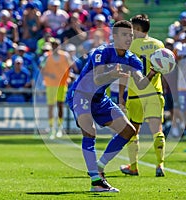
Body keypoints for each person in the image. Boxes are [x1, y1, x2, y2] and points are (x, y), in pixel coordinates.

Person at [66, 20, 158, 192]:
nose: (129, 38)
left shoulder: (132, 59)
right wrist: (113, 73)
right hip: (81, 94)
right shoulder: (101, 52)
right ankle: (96, 181)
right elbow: (97, 78)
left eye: (130, 35)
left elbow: (141, 83)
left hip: (99, 98)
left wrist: (153, 72)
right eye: (124, 35)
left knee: (129, 130)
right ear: (114, 37)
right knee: (89, 130)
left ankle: (100, 166)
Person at [118, 14, 166, 177]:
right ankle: (160, 165)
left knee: (133, 130)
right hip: (155, 92)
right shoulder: (159, 44)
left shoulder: (129, 46)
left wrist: (121, 96)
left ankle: (133, 167)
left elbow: (124, 72)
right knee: (157, 130)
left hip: (135, 94)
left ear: (137, 29)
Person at [41, 39, 72, 139]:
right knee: (50, 106)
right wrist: (50, 75)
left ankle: (59, 128)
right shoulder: (47, 57)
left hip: (62, 84)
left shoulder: (65, 56)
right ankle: (51, 128)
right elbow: (42, 70)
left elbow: (69, 68)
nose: (55, 47)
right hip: (50, 84)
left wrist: (67, 77)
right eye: (53, 45)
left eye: (56, 45)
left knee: (60, 105)